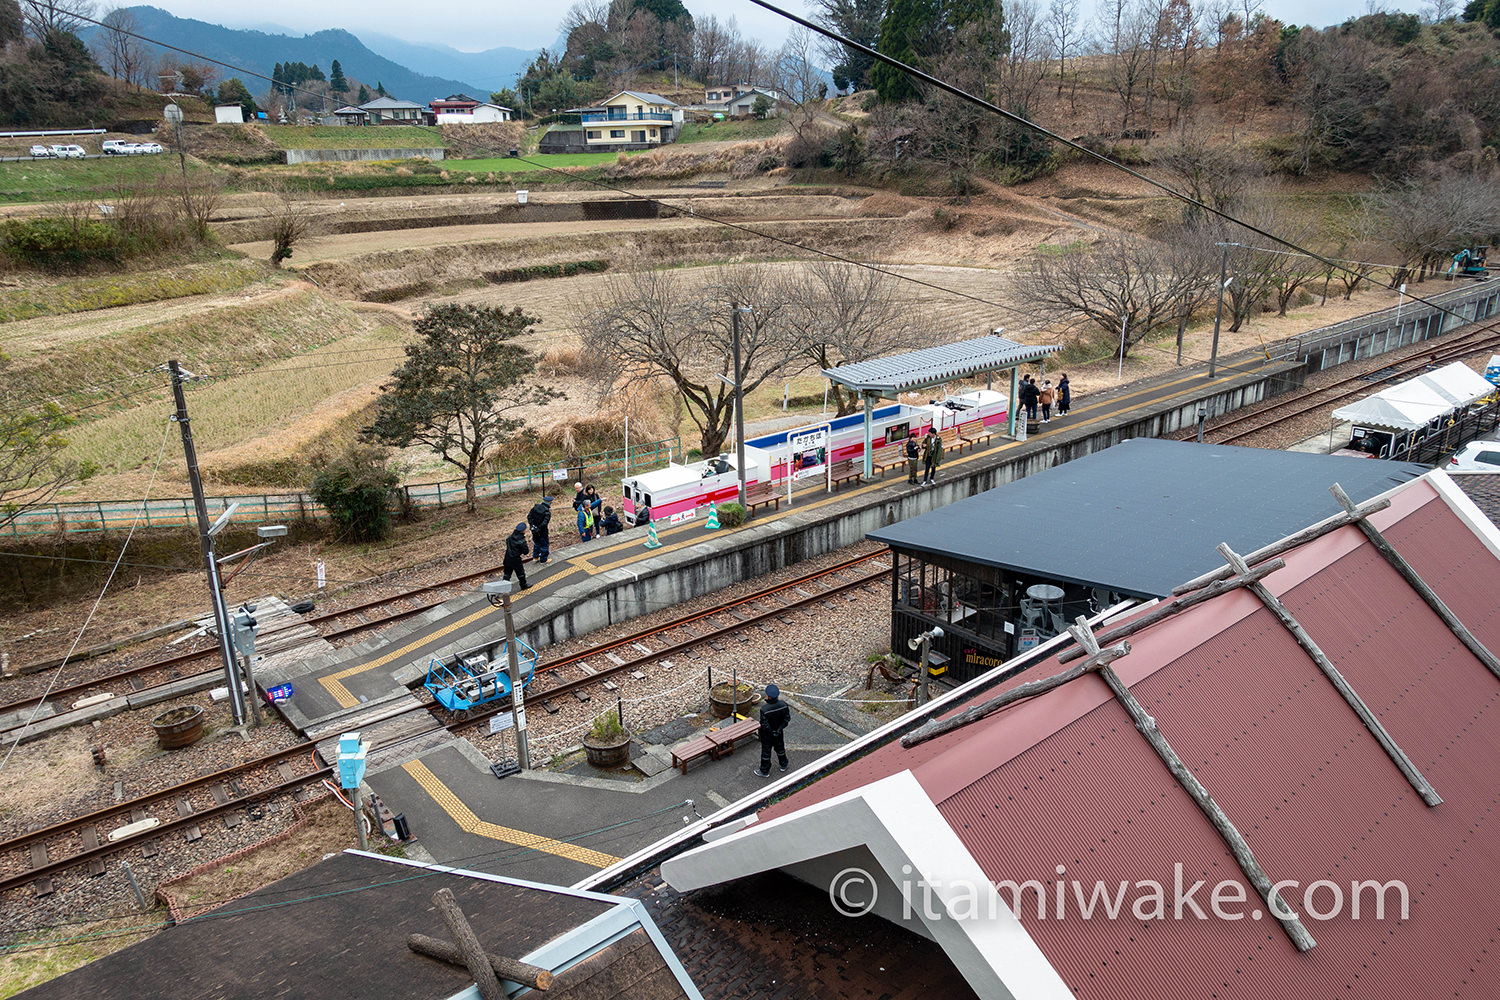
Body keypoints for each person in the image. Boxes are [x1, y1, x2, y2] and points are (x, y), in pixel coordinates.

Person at [753, 683, 791, 777]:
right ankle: (784, 764)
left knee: (766, 753)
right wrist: (778, 730)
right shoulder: (784, 705)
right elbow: (786, 719)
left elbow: (764, 725)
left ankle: (765, 771)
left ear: (768, 696)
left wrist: (771, 732)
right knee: (780, 749)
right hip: (779, 732)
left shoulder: (765, 710)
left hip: (767, 735)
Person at [501, 523, 530, 589]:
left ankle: (504, 588)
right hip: (516, 559)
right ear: (523, 531)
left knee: (507, 574)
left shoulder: (510, 537)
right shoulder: (521, 540)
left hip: (507, 557)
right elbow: (526, 552)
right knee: (520, 574)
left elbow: (507, 543)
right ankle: (523, 585)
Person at [526, 496, 553, 564]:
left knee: (537, 543)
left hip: (534, 530)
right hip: (542, 531)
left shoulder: (535, 507)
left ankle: (535, 557)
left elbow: (529, 517)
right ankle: (543, 560)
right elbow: (545, 522)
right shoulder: (547, 512)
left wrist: (532, 525)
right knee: (544, 544)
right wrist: (539, 528)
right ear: (549, 502)